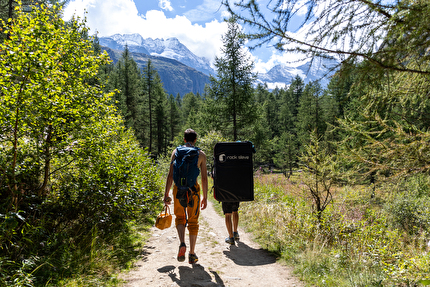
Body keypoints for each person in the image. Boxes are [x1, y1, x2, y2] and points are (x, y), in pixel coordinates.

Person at [164, 129, 208, 264]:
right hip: (193, 190)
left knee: (180, 217)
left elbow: (170, 175)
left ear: (184, 140)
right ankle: (192, 253)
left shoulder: (176, 152)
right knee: (193, 221)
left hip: (178, 190)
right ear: (195, 140)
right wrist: (205, 197)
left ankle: (182, 243)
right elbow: (205, 178)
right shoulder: (201, 154)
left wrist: (166, 193)